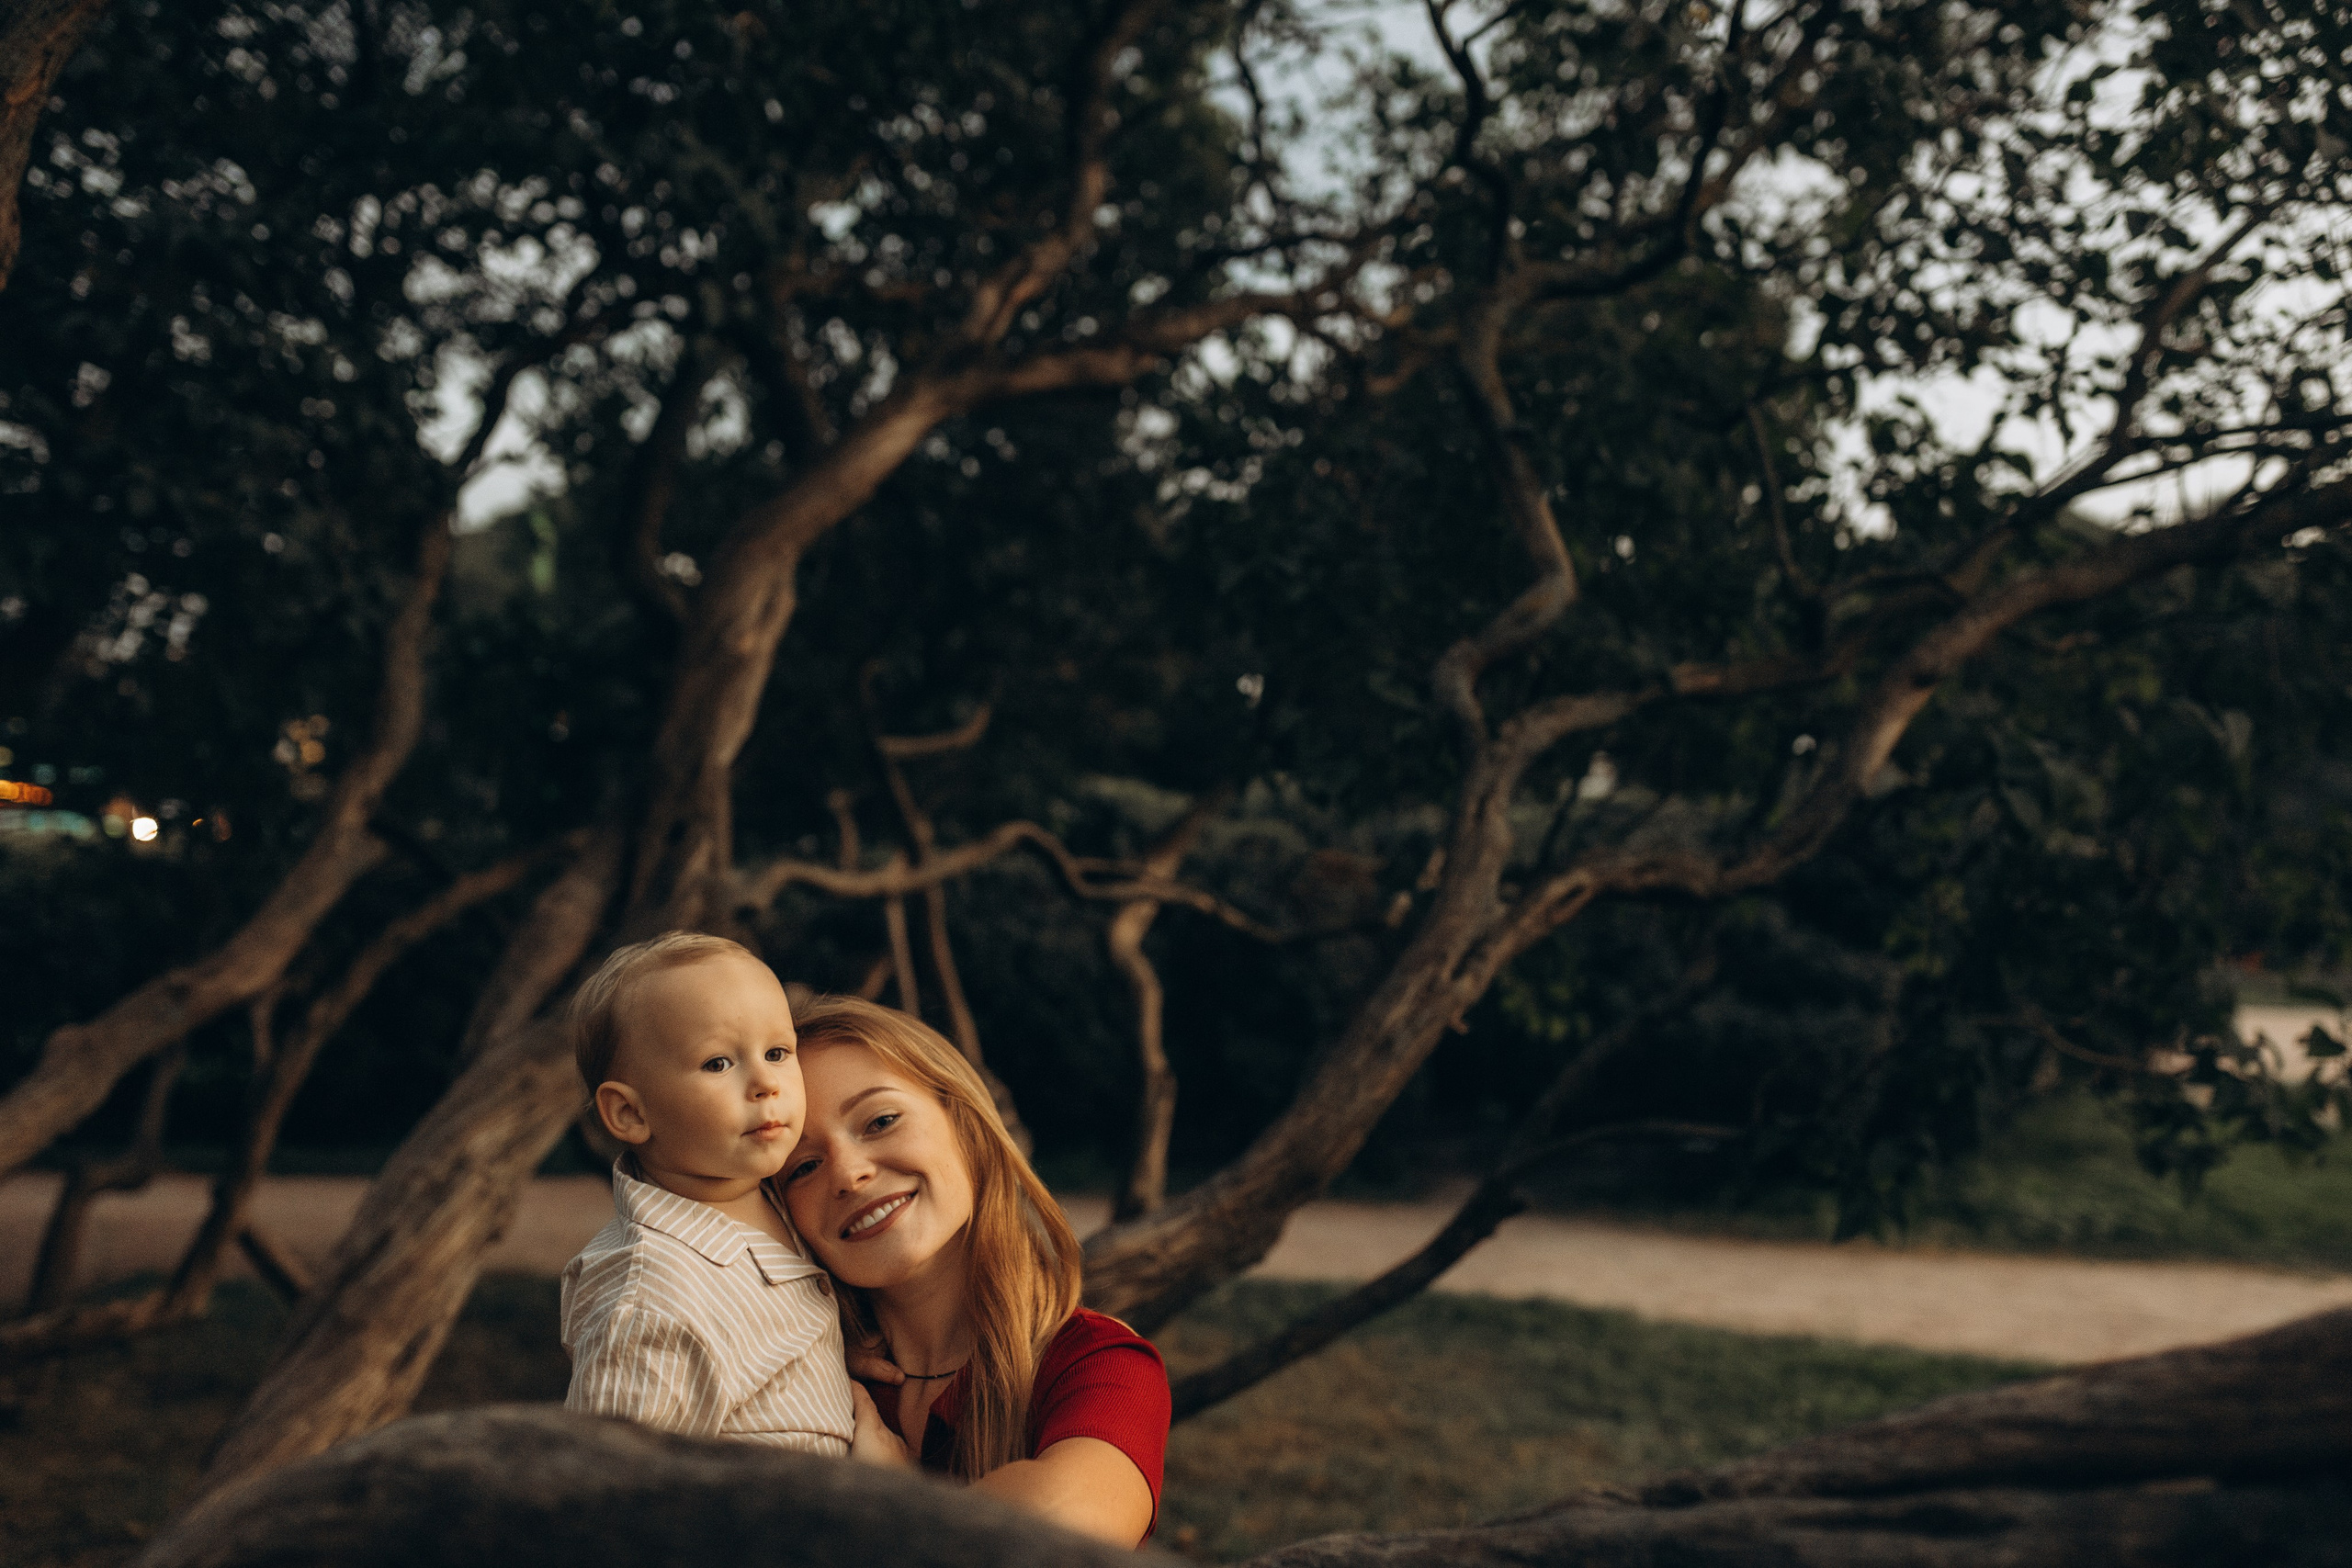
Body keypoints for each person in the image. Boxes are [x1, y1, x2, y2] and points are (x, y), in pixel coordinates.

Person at [780, 994, 1170, 1548]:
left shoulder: (1095, 1363)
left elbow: (1051, 1537)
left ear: (965, 1124)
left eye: (881, 1120)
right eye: (803, 1166)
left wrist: (893, 1496)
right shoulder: (794, 1368)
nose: (848, 1173)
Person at [559, 931, 884, 1460]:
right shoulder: (652, 1300)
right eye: (718, 1064)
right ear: (630, 1114)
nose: (765, 1083)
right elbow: (608, 1494)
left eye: (778, 1052)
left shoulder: (773, 1196)